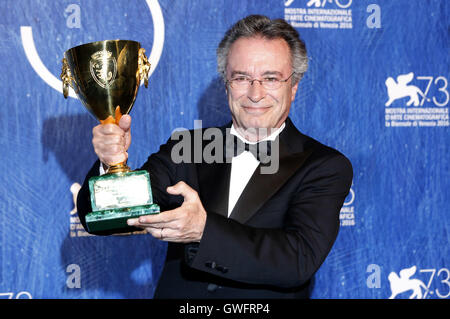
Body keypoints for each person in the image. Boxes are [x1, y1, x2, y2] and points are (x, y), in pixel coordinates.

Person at [76, 15, 353, 298]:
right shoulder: (186, 148)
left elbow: (298, 259)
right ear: (226, 85)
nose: (255, 94)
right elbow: (101, 218)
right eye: (241, 78)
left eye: (270, 78)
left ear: (293, 87)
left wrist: (203, 231)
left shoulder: (324, 165)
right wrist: (111, 163)